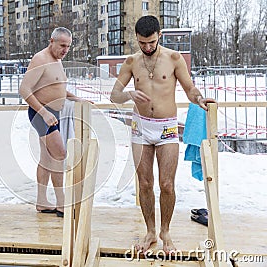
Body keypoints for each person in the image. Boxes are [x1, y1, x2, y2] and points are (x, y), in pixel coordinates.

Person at [110, 16, 216, 254]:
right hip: (140, 127)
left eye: (151, 42)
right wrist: (129, 95)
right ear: (136, 39)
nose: (147, 48)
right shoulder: (131, 62)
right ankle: (150, 232)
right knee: (145, 184)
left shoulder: (174, 59)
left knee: (166, 184)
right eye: (142, 43)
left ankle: (165, 231)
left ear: (160, 35)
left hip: (166, 126)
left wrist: (199, 99)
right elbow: (114, 95)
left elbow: (189, 89)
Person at [19, 27, 87, 218]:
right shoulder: (40, 59)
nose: (65, 50)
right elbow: (24, 89)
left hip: (53, 113)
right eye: (62, 45)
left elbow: (57, 88)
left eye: (68, 46)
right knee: (59, 154)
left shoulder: (57, 61)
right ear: (52, 41)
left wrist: (76, 99)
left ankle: (41, 201)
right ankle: (61, 203)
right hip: (41, 113)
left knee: (47, 158)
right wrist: (43, 113)